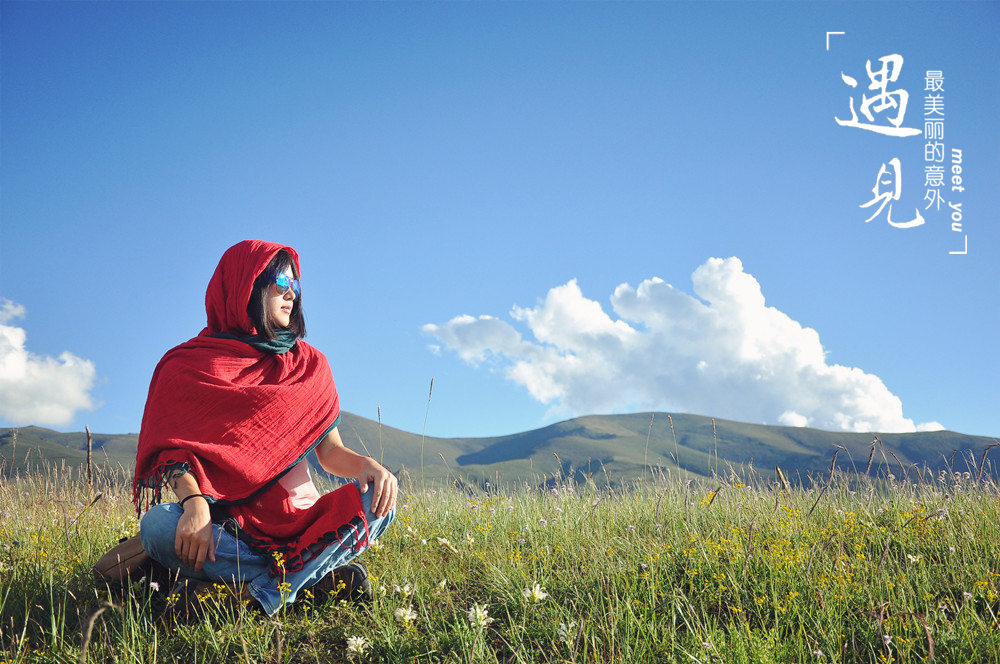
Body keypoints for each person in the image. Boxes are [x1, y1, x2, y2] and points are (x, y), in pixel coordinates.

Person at [133, 239, 396, 617]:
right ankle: (311, 580)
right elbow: (174, 454)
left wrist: (368, 467)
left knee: (379, 502)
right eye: (280, 284)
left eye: (296, 286)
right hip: (229, 532)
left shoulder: (309, 366)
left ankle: (251, 598)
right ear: (246, 285)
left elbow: (331, 452)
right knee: (158, 526)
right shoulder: (186, 367)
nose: (291, 296)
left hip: (303, 527)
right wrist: (194, 505)